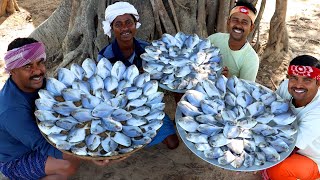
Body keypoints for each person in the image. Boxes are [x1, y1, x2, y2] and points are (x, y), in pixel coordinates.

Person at [0, 37, 115, 179]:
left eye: (40, 62)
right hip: (15, 159)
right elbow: (41, 145)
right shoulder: (11, 110)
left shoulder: (34, 83)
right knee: (67, 165)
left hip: (34, 138)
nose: (37, 71)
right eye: (27, 66)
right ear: (12, 71)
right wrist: (91, 155)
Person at [98, 2, 179, 149]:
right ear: (111, 28)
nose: (124, 28)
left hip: (145, 105)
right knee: (121, 143)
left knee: (173, 143)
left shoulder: (147, 49)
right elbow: (103, 91)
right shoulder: (105, 57)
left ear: (136, 24)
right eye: (118, 24)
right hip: (119, 108)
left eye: (129, 23)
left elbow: (163, 74)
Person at [261, 55, 320, 180]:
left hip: (311, 158)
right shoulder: (286, 86)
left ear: (318, 82)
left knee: (277, 169)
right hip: (285, 138)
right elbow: (269, 108)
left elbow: (291, 148)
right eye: (294, 78)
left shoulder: (318, 110)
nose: (298, 85)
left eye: (307, 80)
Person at [207, 0, 259, 82]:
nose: (238, 25)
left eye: (244, 22)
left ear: (251, 27)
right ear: (228, 22)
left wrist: (226, 80)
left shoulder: (251, 59)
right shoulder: (214, 39)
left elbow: (244, 91)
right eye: (235, 20)